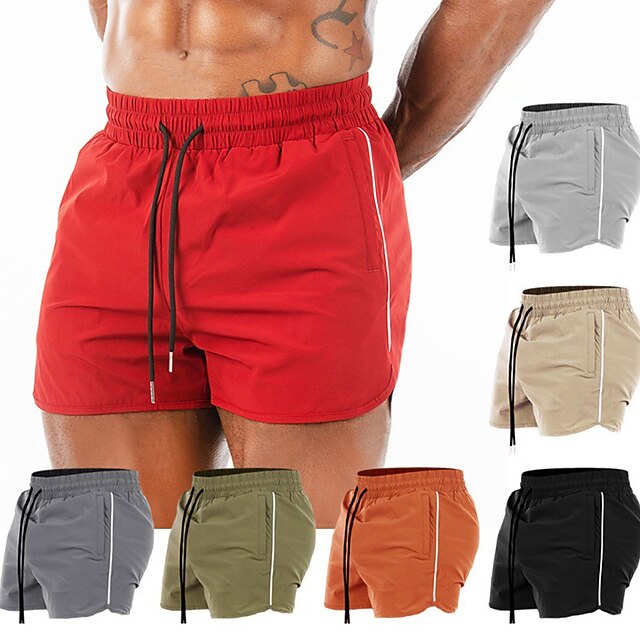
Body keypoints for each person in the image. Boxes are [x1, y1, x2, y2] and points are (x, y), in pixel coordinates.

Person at [35, 0, 553, 528]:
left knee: (297, 550)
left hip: (304, 173)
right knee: (115, 550)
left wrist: (389, 144)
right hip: (124, 176)